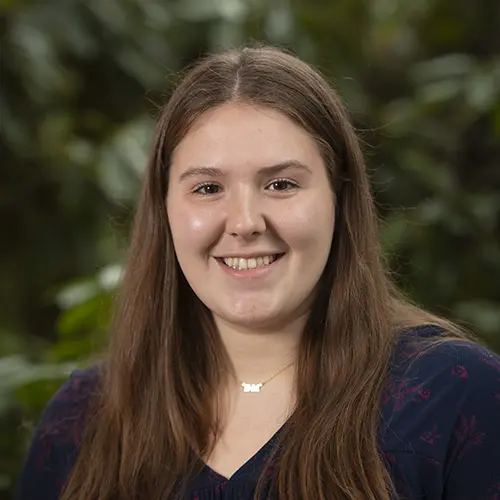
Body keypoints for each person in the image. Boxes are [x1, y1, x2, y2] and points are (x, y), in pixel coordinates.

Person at [17, 44, 500, 500]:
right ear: (164, 211)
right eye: (207, 189)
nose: (245, 223)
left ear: (340, 198)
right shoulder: (82, 418)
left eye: (282, 183)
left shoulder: (456, 394)